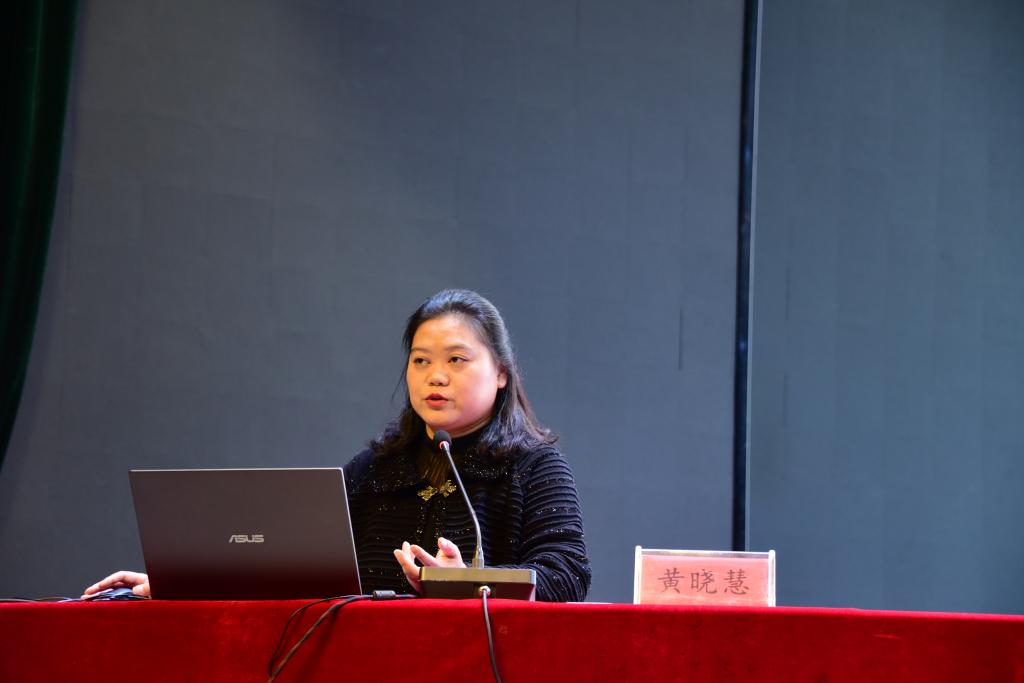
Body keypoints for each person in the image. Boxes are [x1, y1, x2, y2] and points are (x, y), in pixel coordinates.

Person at [83, 289, 591, 602]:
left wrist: (469, 582)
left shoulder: (536, 467)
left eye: (456, 360)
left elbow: (567, 575)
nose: (435, 376)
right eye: (420, 360)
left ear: (501, 373)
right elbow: (288, 564)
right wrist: (182, 581)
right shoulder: (376, 468)